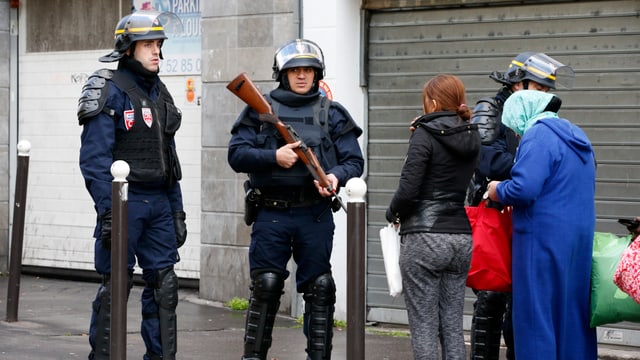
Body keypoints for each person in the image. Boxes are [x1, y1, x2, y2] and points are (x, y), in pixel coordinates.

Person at [228, 39, 365, 360]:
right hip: (270, 212)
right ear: (282, 74)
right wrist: (274, 156)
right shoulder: (259, 109)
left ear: (317, 75)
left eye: (307, 70)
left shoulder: (332, 113)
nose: (301, 76)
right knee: (267, 285)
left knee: (320, 288)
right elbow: (237, 155)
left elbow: (354, 161)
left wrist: (334, 177)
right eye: (294, 71)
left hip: (314, 213)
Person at [77, 11, 186, 360]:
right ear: (127, 48)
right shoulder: (108, 88)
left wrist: (177, 209)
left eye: (158, 44)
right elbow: (94, 160)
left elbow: (168, 158)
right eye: (147, 45)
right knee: (116, 288)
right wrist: (108, 210)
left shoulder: (161, 93)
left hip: (158, 204)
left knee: (165, 288)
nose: (156, 51)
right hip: (124, 203)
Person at [467, 52, 574, 360]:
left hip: (526, 214)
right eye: (538, 88)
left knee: (524, 302)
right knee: (491, 296)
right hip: (494, 214)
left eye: (546, 90)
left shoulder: (536, 117)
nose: (543, 95)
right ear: (518, 83)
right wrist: (531, 166)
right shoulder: (490, 109)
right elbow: (486, 158)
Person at [486, 90, 598, 360]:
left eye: (515, 129)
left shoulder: (538, 134)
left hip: (542, 237)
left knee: (536, 315)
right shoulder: (578, 135)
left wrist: (497, 189)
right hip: (578, 238)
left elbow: (524, 188)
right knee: (571, 313)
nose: (517, 136)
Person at [386, 74, 481, 359]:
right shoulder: (472, 135)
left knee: (424, 326)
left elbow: (408, 190)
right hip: (460, 239)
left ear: (434, 102)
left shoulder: (425, 135)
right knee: (452, 325)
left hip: (424, 238)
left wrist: (392, 213)